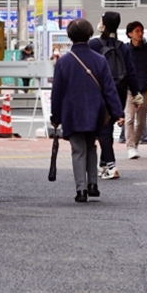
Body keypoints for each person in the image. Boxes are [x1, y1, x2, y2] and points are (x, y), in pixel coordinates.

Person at [50, 19, 124, 203]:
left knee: (78, 150)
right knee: (91, 146)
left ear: (70, 36)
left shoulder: (64, 62)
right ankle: (93, 184)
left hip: (72, 112)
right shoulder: (99, 60)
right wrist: (117, 112)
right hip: (95, 111)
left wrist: (55, 116)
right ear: (90, 34)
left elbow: (57, 92)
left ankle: (81, 189)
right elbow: (109, 88)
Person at [89, 11, 137, 178]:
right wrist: (136, 93)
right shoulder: (123, 47)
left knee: (103, 128)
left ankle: (111, 165)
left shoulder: (94, 45)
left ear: (104, 24)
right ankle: (103, 164)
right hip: (120, 92)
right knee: (108, 127)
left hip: (100, 91)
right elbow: (131, 72)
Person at [124, 21, 147, 159]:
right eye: (137, 31)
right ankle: (130, 147)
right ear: (130, 34)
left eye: (141, 31)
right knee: (129, 118)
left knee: (141, 120)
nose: (140, 34)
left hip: (144, 89)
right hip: (129, 89)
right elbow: (123, 69)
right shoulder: (125, 50)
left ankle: (135, 144)